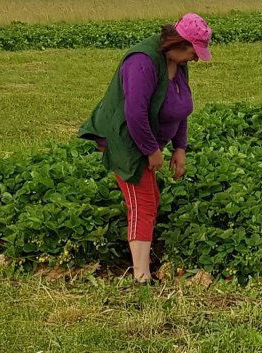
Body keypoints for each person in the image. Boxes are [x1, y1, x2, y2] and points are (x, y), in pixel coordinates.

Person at [80, 14, 211, 282]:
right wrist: (151, 150)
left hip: (146, 138)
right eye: (193, 52)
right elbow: (135, 113)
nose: (195, 59)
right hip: (125, 138)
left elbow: (181, 106)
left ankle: (143, 259)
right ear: (178, 42)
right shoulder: (142, 61)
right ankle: (141, 277)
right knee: (143, 201)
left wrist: (180, 148)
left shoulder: (177, 61)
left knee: (149, 198)